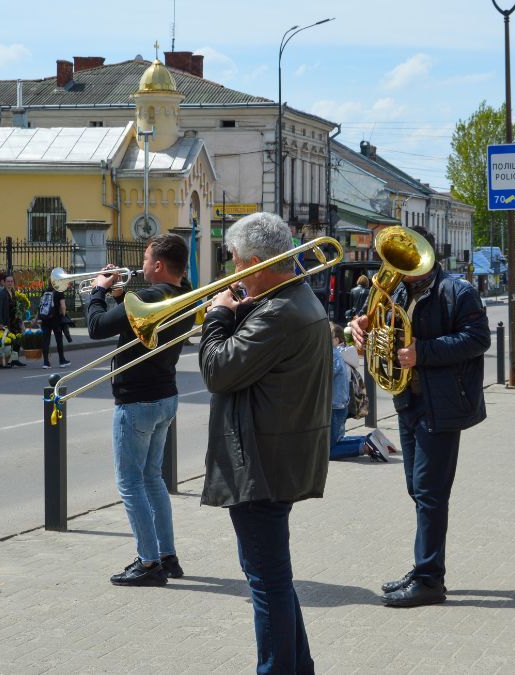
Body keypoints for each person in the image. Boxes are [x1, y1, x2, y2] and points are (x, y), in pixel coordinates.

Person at [198, 212, 330, 673]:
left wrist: (217, 317)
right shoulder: (296, 298)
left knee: (266, 583)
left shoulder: (279, 311)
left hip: (260, 462)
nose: (232, 273)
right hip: (276, 454)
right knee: (274, 579)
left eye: (235, 263)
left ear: (255, 263)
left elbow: (217, 371)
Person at [349, 225, 490, 608]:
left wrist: (421, 352)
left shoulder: (457, 291)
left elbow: (478, 339)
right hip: (408, 402)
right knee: (417, 487)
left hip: (441, 404)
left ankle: (429, 579)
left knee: (429, 493)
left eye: (407, 258)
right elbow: (368, 323)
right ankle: (425, 566)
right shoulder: (394, 290)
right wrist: (358, 328)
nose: (398, 266)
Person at [87, 234, 192, 587]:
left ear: (159, 265)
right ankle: (167, 555)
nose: (141, 265)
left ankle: (148, 564)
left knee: (131, 483)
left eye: (146, 259)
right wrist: (121, 297)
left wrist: (98, 291)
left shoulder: (149, 297)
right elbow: (132, 321)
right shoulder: (183, 295)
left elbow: (96, 327)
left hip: (136, 401)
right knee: (152, 479)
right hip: (165, 396)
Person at [327, 321, 385, 462]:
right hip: (341, 405)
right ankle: (370, 439)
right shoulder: (342, 354)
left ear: (336, 340)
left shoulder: (333, 356)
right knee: (337, 441)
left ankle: (366, 447)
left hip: (335, 407)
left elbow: (325, 377)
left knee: (328, 451)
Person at [38, 281, 70, 369]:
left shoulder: (44, 291)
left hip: (45, 319)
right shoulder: (59, 292)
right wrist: (63, 315)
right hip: (56, 320)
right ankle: (62, 361)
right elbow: (63, 306)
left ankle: (46, 363)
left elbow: (41, 305)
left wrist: (37, 318)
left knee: (46, 341)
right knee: (59, 340)